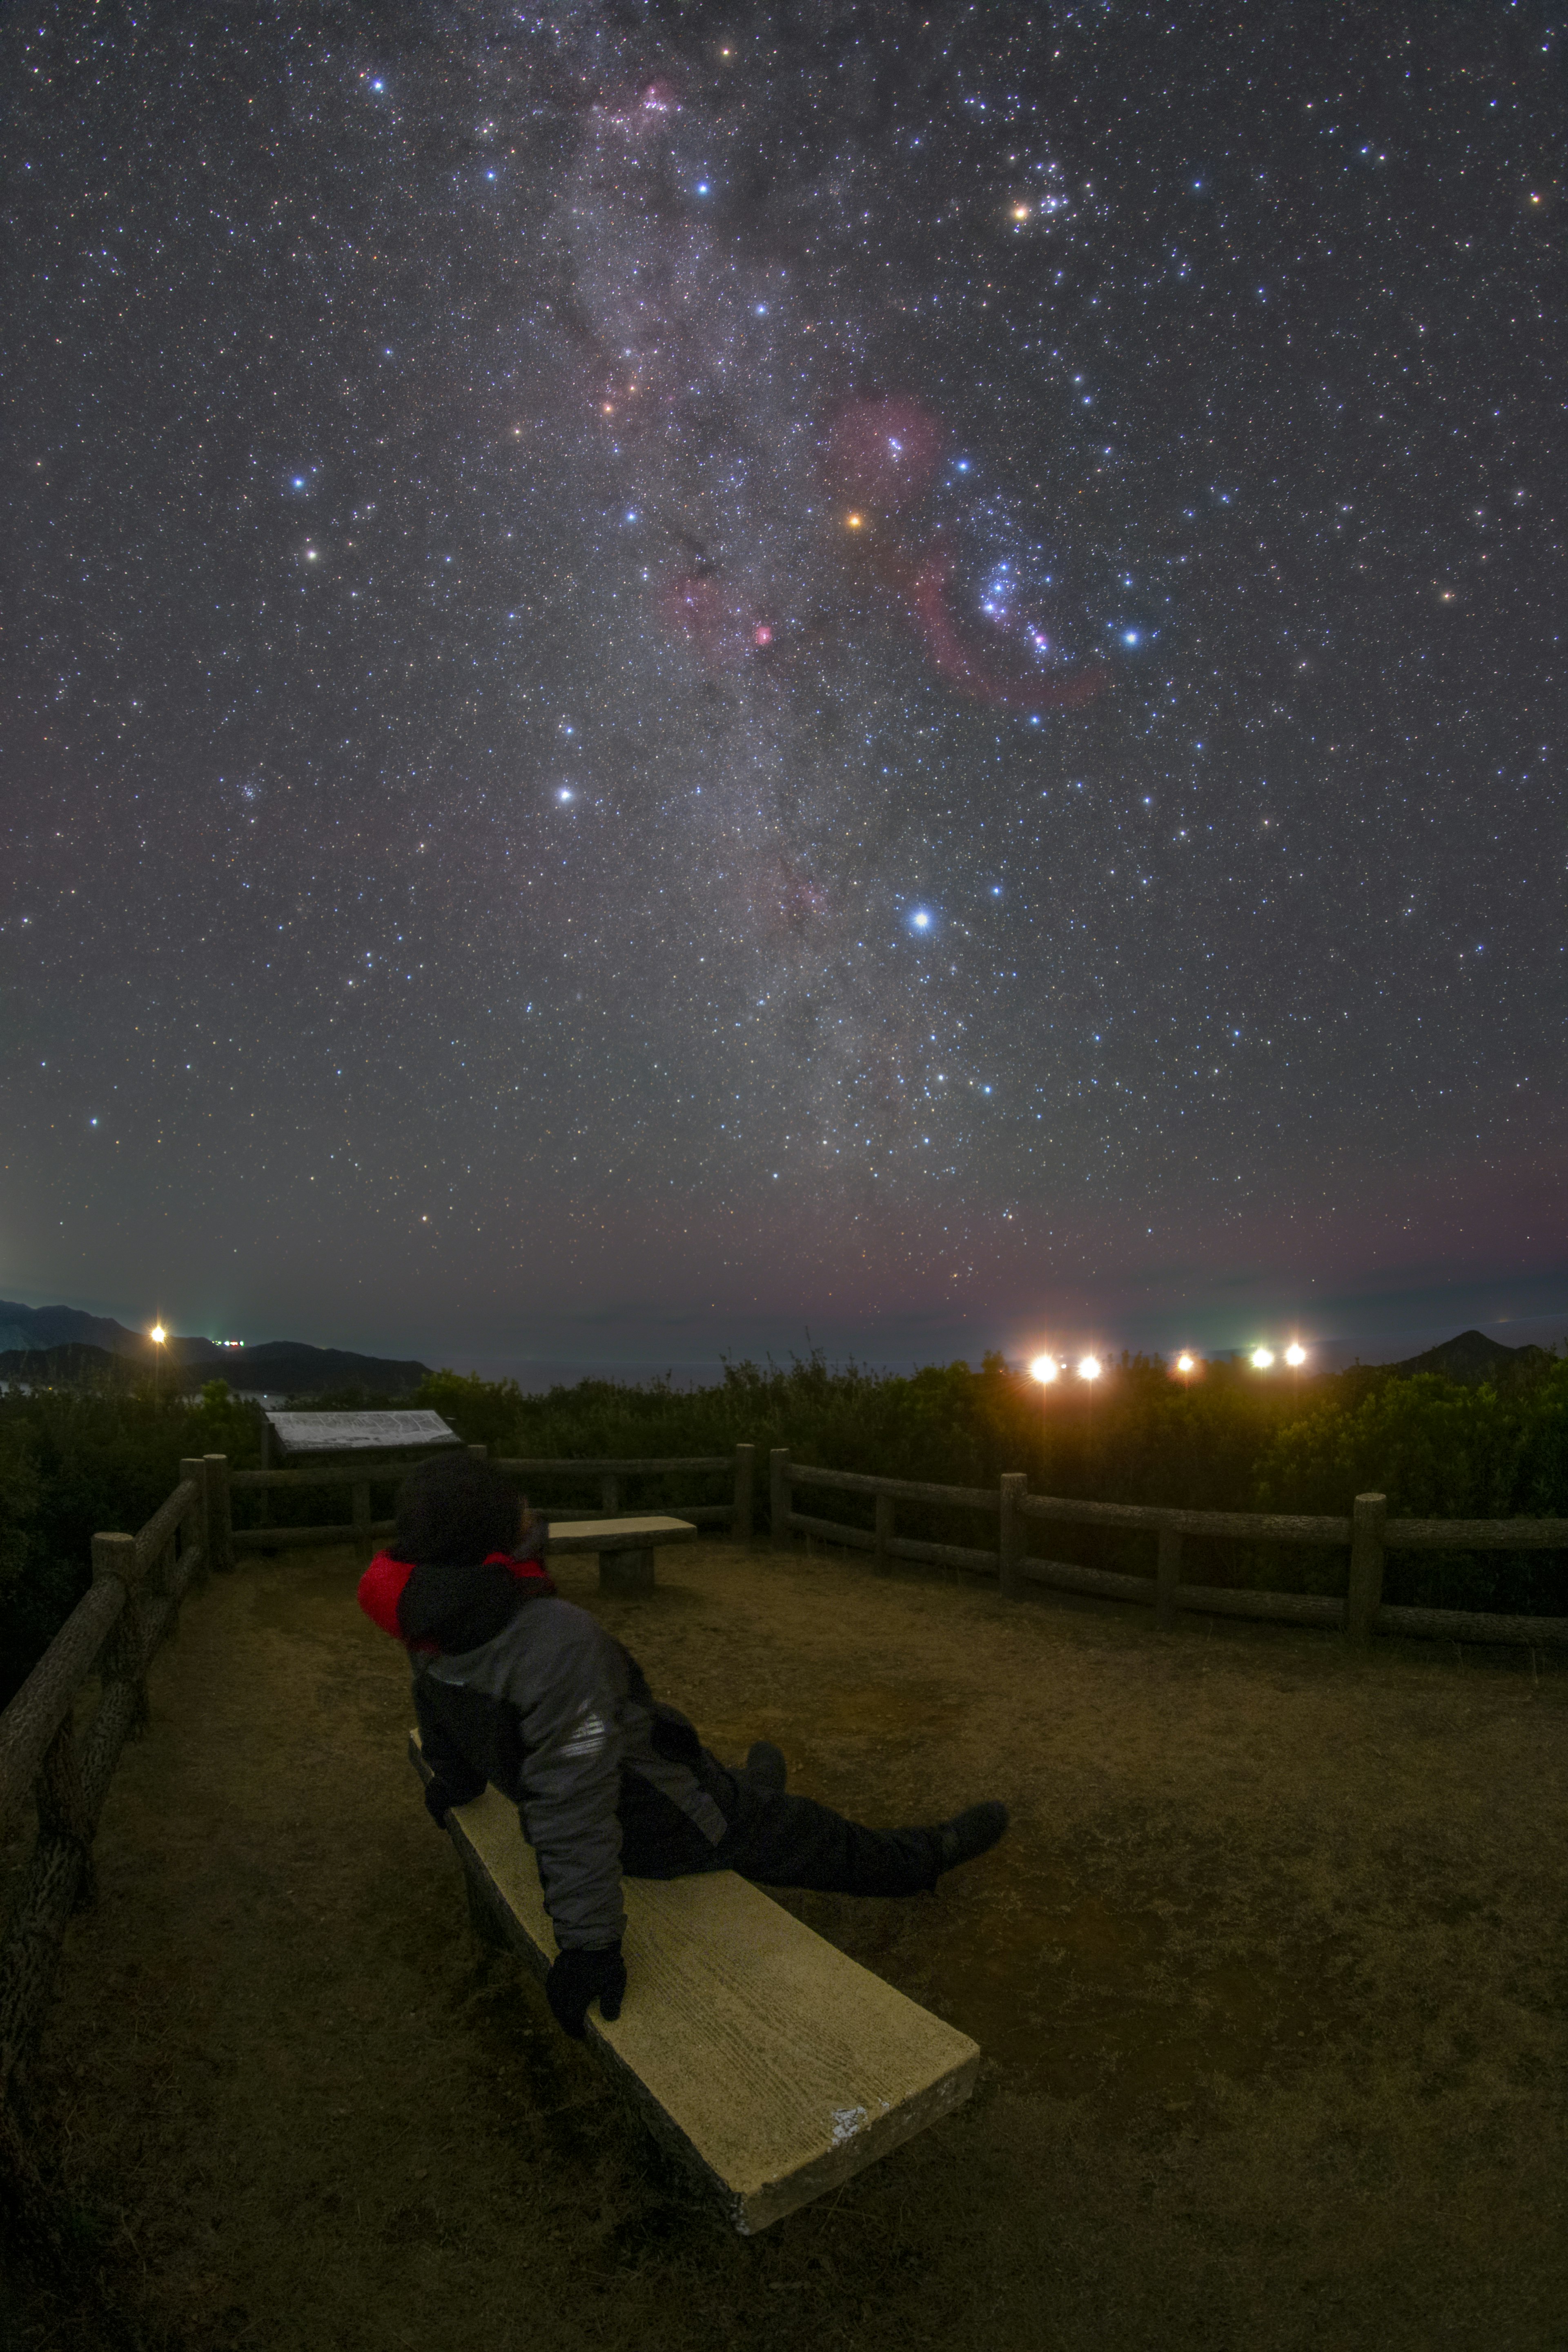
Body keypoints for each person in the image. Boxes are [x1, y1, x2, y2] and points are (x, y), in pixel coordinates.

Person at [358, 1451, 1009, 2040]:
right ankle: (923, 1858)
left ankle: (749, 1793)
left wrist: (455, 1778)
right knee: (814, 1835)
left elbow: (434, 1701)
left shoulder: (427, 1612)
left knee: (726, 1786)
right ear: (489, 1532)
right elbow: (573, 1794)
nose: (531, 1510)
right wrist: (589, 1947)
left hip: (649, 1783)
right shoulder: (551, 1640)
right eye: (516, 1504)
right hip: (665, 1822)